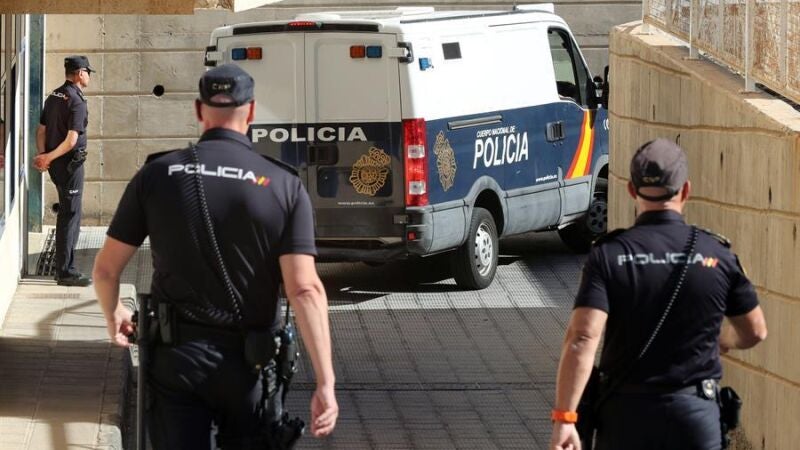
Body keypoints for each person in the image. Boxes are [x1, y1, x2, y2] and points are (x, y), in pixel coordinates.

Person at [92, 64, 338, 449]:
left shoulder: (157, 174)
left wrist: (114, 314)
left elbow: (106, 270)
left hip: (177, 360)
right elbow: (305, 290)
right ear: (251, 112)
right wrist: (325, 381)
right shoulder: (283, 184)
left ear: (198, 110)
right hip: (251, 364)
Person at [549, 138, 767, 450]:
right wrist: (723, 340)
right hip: (695, 417)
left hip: (625, 418)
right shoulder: (716, 254)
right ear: (686, 190)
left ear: (631, 190)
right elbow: (755, 331)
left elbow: (582, 337)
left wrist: (565, 419)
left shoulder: (609, 255)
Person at [34, 55, 94, 286]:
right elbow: (71, 140)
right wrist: (47, 158)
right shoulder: (76, 101)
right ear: (79, 73)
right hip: (69, 165)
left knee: (68, 214)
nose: (89, 76)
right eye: (88, 72)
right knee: (70, 215)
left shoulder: (53, 96)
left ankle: (65, 268)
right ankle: (66, 272)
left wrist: (44, 156)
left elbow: (41, 131)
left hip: (56, 165)